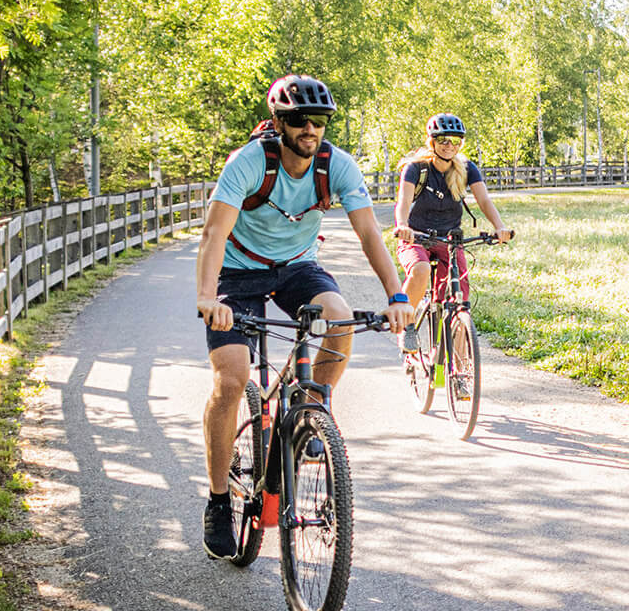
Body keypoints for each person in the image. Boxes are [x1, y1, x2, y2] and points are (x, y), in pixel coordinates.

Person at [196, 73, 412, 560]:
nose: (309, 129)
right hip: (237, 274)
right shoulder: (250, 163)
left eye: (319, 120)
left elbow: (370, 235)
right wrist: (208, 297)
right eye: (298, 120)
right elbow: (213, 235)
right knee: (231, 381)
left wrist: (396, 295)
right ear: (278, 122)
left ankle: (314, 405)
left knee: (338, 317)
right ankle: (215, 500)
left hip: (297, 268)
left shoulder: (337, 165)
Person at [392, 113, 512, 349]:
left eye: (455, 141)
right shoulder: (416, 168)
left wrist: (499, 227)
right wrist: (402, 225)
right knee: (421, 269)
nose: (449, 146)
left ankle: (460, 369)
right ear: (432, 141)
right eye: (443, 139)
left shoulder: (467, 168)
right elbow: (403, 202)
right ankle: (407, 323)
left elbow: (484, 200)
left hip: (449, 240)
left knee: (459, 300)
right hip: (417, 237)